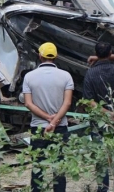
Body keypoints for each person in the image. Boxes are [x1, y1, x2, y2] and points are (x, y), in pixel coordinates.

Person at [22, 42, 74, 192]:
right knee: (59, 168)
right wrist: (55, 121)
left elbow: (28, 103)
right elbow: (68, 102)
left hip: (38, 128)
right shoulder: (66, 76)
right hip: (60, 127)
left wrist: (47, 118)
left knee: (38, 166)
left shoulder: (29, 77)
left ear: (40, 56)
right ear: (56, 57)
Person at [83, 42, 114, 192]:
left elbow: (89, 101)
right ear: (110, 53)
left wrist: (105, 113)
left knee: (101, 157)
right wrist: (112, 114)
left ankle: (103, 188)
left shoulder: (90, 73)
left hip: (98, 121)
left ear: (96, 52)